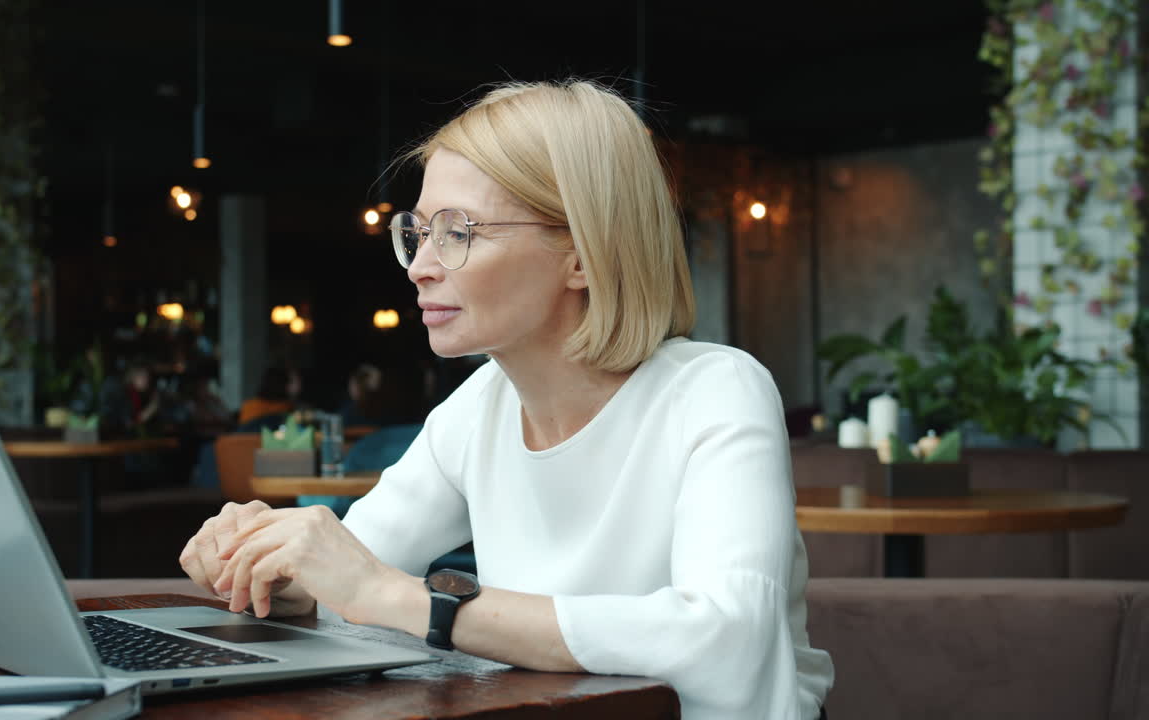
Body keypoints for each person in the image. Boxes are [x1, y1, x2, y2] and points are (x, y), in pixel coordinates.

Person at [179, 80, 833, 719]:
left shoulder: (716, 390)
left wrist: (397, 596)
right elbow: (352, 579)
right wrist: (272, 570)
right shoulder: (476, 409)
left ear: (581, 255)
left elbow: (727, 640)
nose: (419, 266)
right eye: (420, 230)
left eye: (459, 232)